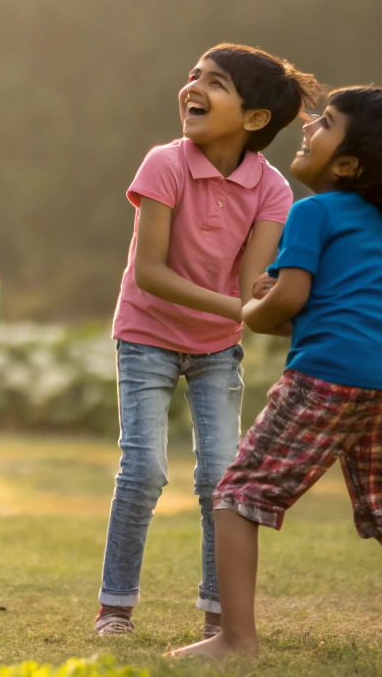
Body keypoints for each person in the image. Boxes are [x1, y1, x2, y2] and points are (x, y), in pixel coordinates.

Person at [168, 86, 382, 662]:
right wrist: (283, 299)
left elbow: (283, 304)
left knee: (238, 495)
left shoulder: (310, 210)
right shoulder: (373, 225)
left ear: (348, 164)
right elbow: (329, 303)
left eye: (326, 122)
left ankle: (236, 641)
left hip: (330, 374)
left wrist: (253, 308)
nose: (308, 125)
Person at [94, 44, 319, 640]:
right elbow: (151, 273)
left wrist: (273, 308)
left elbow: (253, 284)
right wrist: (242, 309)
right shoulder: (165, 163)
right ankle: (114, 608)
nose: (192, 86)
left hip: (218, 350)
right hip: (146, 335)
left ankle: (222, 616)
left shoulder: (272, 190)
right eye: (193, 75)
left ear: (253, 119)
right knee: (142, 470)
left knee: (221, 479)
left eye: (214, 83)